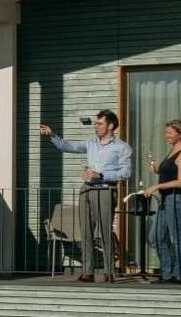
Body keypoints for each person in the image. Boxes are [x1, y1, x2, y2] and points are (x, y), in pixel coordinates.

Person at [39, 111, 133, 282]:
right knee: (86, 232)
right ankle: (88, 272)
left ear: (111, 126)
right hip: (86, 190)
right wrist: (52, 135)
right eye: (95, 123)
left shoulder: (122, 147)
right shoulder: (91, 143)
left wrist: (101, 175)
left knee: (104, 232)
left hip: (105, 189)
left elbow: (126, 172)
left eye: (100, 123)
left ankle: (109, 272)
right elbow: (68, 146)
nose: (96, 126)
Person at [142, 120, 181, 284]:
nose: (167, 136)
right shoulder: (173, 150)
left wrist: (157, 186)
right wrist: (157, 169)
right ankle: (167, 273)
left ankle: (179, 274)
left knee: (177, 237)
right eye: (166, 133)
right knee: (155, 237)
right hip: (166, 199)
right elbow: (170, 172)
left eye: (170, 133)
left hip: (178, 198)